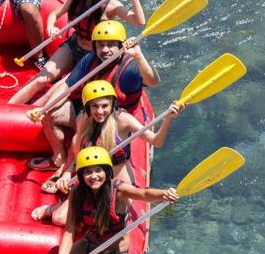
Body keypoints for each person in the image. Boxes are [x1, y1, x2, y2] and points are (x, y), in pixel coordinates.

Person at [11, 146, 178, 254]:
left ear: (107, 171)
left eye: (99, 170)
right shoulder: (77, 192)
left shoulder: (118, 191)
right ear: (82, 175)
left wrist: (164, 194)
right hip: (88, 244)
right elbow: (69, 232)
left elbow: (143, 194)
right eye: (88, 172)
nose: (94, 176)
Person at [31, 79, 183, 220]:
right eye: (95, 106)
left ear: (112, 104)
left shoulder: (123, 120)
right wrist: (66, 173)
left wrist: (167, 119)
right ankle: (53, 208)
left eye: (104, 106)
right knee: (59, 219)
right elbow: (78, 153)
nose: (100, 111)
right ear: (88, 107)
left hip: (118, 182)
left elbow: (156, 141)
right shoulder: (83, 119)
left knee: (109, 218)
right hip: (93, 178)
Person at [27, 19, 160, 172]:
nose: (104, 50)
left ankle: (74, 169)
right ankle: (58, 158)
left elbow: (153, 82)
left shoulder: (130, 68)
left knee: (84, 134)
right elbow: (67, 87)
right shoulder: (89, 60)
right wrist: (45, 108)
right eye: (100, 44)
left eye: (110, 45)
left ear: (121, 46)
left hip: (114, 120)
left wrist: (139, 56)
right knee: (51, 115)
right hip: (90, 111)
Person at [9, 0, 145, 105]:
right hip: (74, 45)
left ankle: (29, 118)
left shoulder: (109, 4)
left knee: (56, 90)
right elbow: (54, 14)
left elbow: (139, 21)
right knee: (41, 79)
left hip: (93, 55)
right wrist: (51, 26)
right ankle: (9, 108)